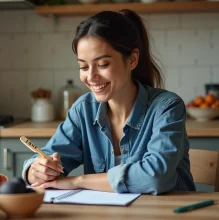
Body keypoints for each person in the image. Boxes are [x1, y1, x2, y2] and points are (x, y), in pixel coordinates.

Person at [22, 9, 196, 195]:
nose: (91, 77)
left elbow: (155, 177)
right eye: (83, 66)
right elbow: (46, 157)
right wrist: (36, 170)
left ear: (132, 60)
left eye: (103, 65)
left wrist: (77, 181)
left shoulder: (167, 107)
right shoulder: (83, 110)